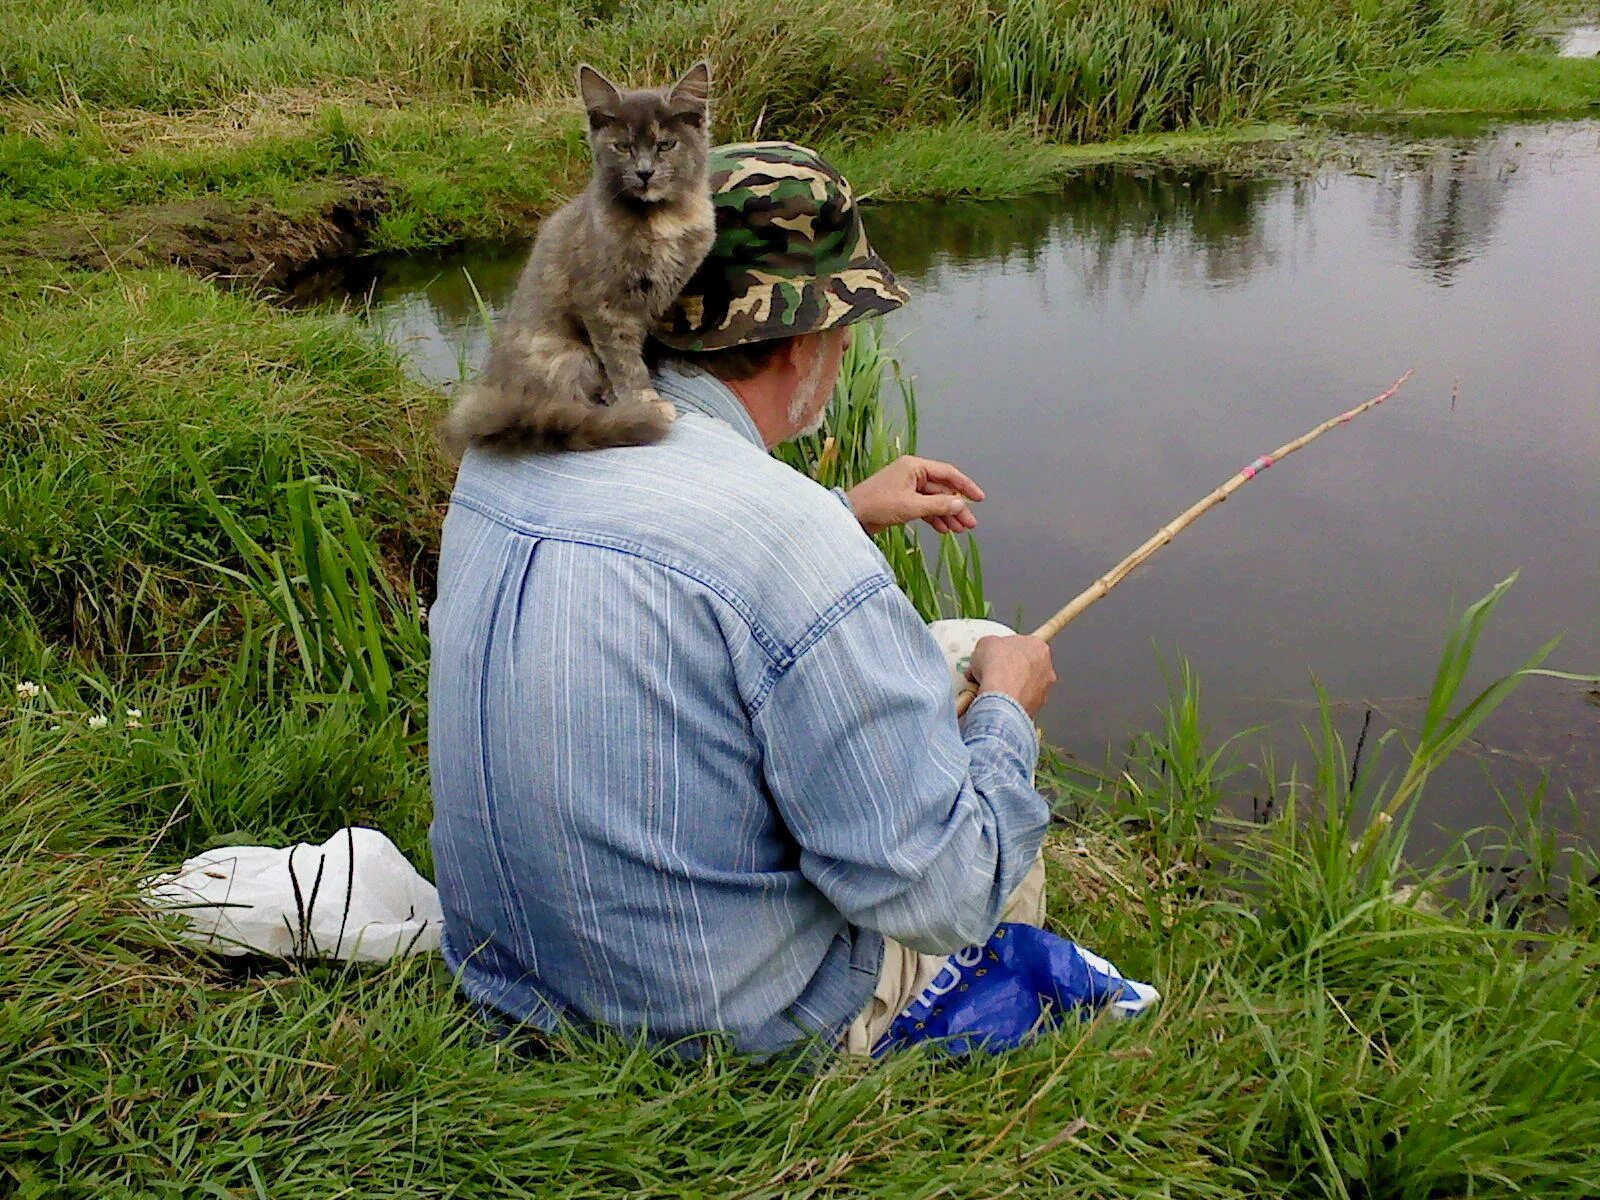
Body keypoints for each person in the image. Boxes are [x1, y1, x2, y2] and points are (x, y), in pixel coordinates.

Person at [428, 142, 1057, 1057]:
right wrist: (1006, 711)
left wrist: (848, 513)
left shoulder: (510, 447)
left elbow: (672, 568)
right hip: (706, 1043)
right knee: (980, 669)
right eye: (847, 328)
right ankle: (949, 1023)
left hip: (501, 979)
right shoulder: (788, 534)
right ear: (804, 342)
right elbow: (944, 893)